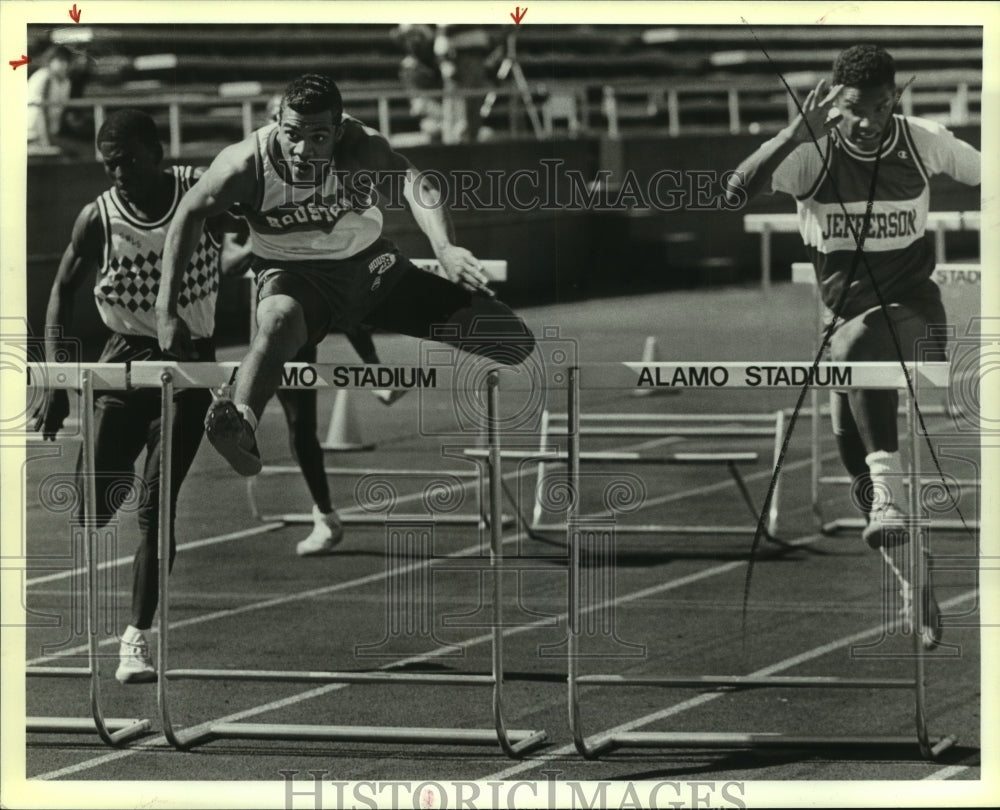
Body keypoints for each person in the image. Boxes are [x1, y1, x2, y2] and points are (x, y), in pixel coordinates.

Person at [155, 74, 534, 486]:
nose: (302, 150)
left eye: (318, 137)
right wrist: (165, 308)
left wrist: (444, 248)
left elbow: (414, 185)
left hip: (373, 271)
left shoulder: (361, 146)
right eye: (292, 134)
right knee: (278, 321)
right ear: (277, 122)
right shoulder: (244, 165)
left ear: (337, 131)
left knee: (513, 341)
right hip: (295, 279)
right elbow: (189, 214)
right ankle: (240, 426)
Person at [726, 44, 980, 650]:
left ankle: (892, 499)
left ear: (896, 96)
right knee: (849, 438)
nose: (868, 120)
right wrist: (792, 135)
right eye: (854, 109)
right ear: (832, 102)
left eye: (880, 105)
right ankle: (909, 569)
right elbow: (734, 192)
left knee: (861, 346)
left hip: (914, 315)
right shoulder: (811, 153)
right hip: (843, 333)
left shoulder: (923, 142)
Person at [32, 109, 229, 683]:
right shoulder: (98, 216)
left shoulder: (201, 193)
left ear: (158, 154)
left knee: (154, 506)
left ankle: (135, 640)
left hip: (188, 366)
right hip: (121, 361)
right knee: (93, 506)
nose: (119, 173)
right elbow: (61, 290)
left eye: (130, 162)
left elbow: (265, 219)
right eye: (110, 164)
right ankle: (106, 477)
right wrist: (59, 377)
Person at [27, 45, 73, 150]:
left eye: (67, 61)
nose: (64, 65)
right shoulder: (44, 77)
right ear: (50, 60)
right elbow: (41, 111)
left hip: (51, 134)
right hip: (33, 134)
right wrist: (46, 142)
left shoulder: (66, 81)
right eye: (61, 60)